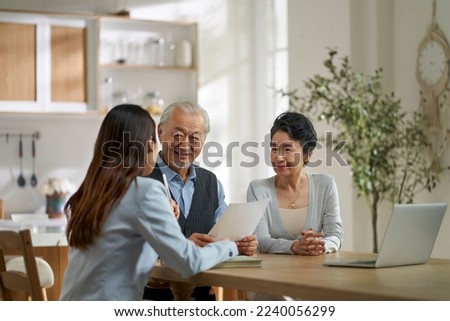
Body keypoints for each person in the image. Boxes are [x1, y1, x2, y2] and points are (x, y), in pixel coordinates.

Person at [59, 104, 239, 300]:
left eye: (194, 137)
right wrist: (229, 246)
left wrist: (162, 216)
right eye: (152, 138)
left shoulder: (93, 191)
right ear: (146, 144)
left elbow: (120, 247)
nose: (154, 147)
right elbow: (188, 262)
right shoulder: (143, 190)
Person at [143, 101, 257, 301]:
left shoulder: (211, 182)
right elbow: (130, 248)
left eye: (194, 138)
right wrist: (180, 250)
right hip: (152, 296)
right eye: (177, 135)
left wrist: (240, 245)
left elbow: (224, 237)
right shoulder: (141, 180)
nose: (185, 145)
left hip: (202, 295)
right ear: (160, 132)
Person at [246, 111, 344, 300]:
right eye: (274, 148)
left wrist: (318, 245)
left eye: (287, 149)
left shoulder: (326, 185)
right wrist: (294, 247)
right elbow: (262, 241)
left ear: (307, 154)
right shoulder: (257, 189)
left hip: (313, 279)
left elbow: (336, 235)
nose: (278, 157)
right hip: (270, 283)